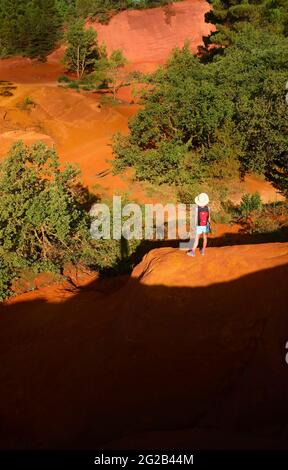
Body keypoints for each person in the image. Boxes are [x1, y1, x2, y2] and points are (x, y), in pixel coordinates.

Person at [187, 193, 210, 257]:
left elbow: (195, 219)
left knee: (196, 239)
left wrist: (194, 226)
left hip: (199, 226)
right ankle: (203, 251)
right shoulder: (208, 208)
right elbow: (209, 217)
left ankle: (193, 252)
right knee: (205, 238)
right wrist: (209, 225)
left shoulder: (197, 209)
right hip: (206, 225)